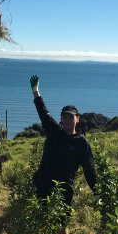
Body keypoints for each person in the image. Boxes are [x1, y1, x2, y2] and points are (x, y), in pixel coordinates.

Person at [30, 75, 97, 207]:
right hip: (44, 184)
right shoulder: (54, 131)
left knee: (62, 221)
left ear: (77, 119)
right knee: (43, 220)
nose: (67, 120)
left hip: (64, 190)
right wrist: (35, 91)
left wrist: (98, 191)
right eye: (64, 117)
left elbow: (89, 170)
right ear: (61, 119)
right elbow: (43, 112)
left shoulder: (82, 143)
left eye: (70, 117)